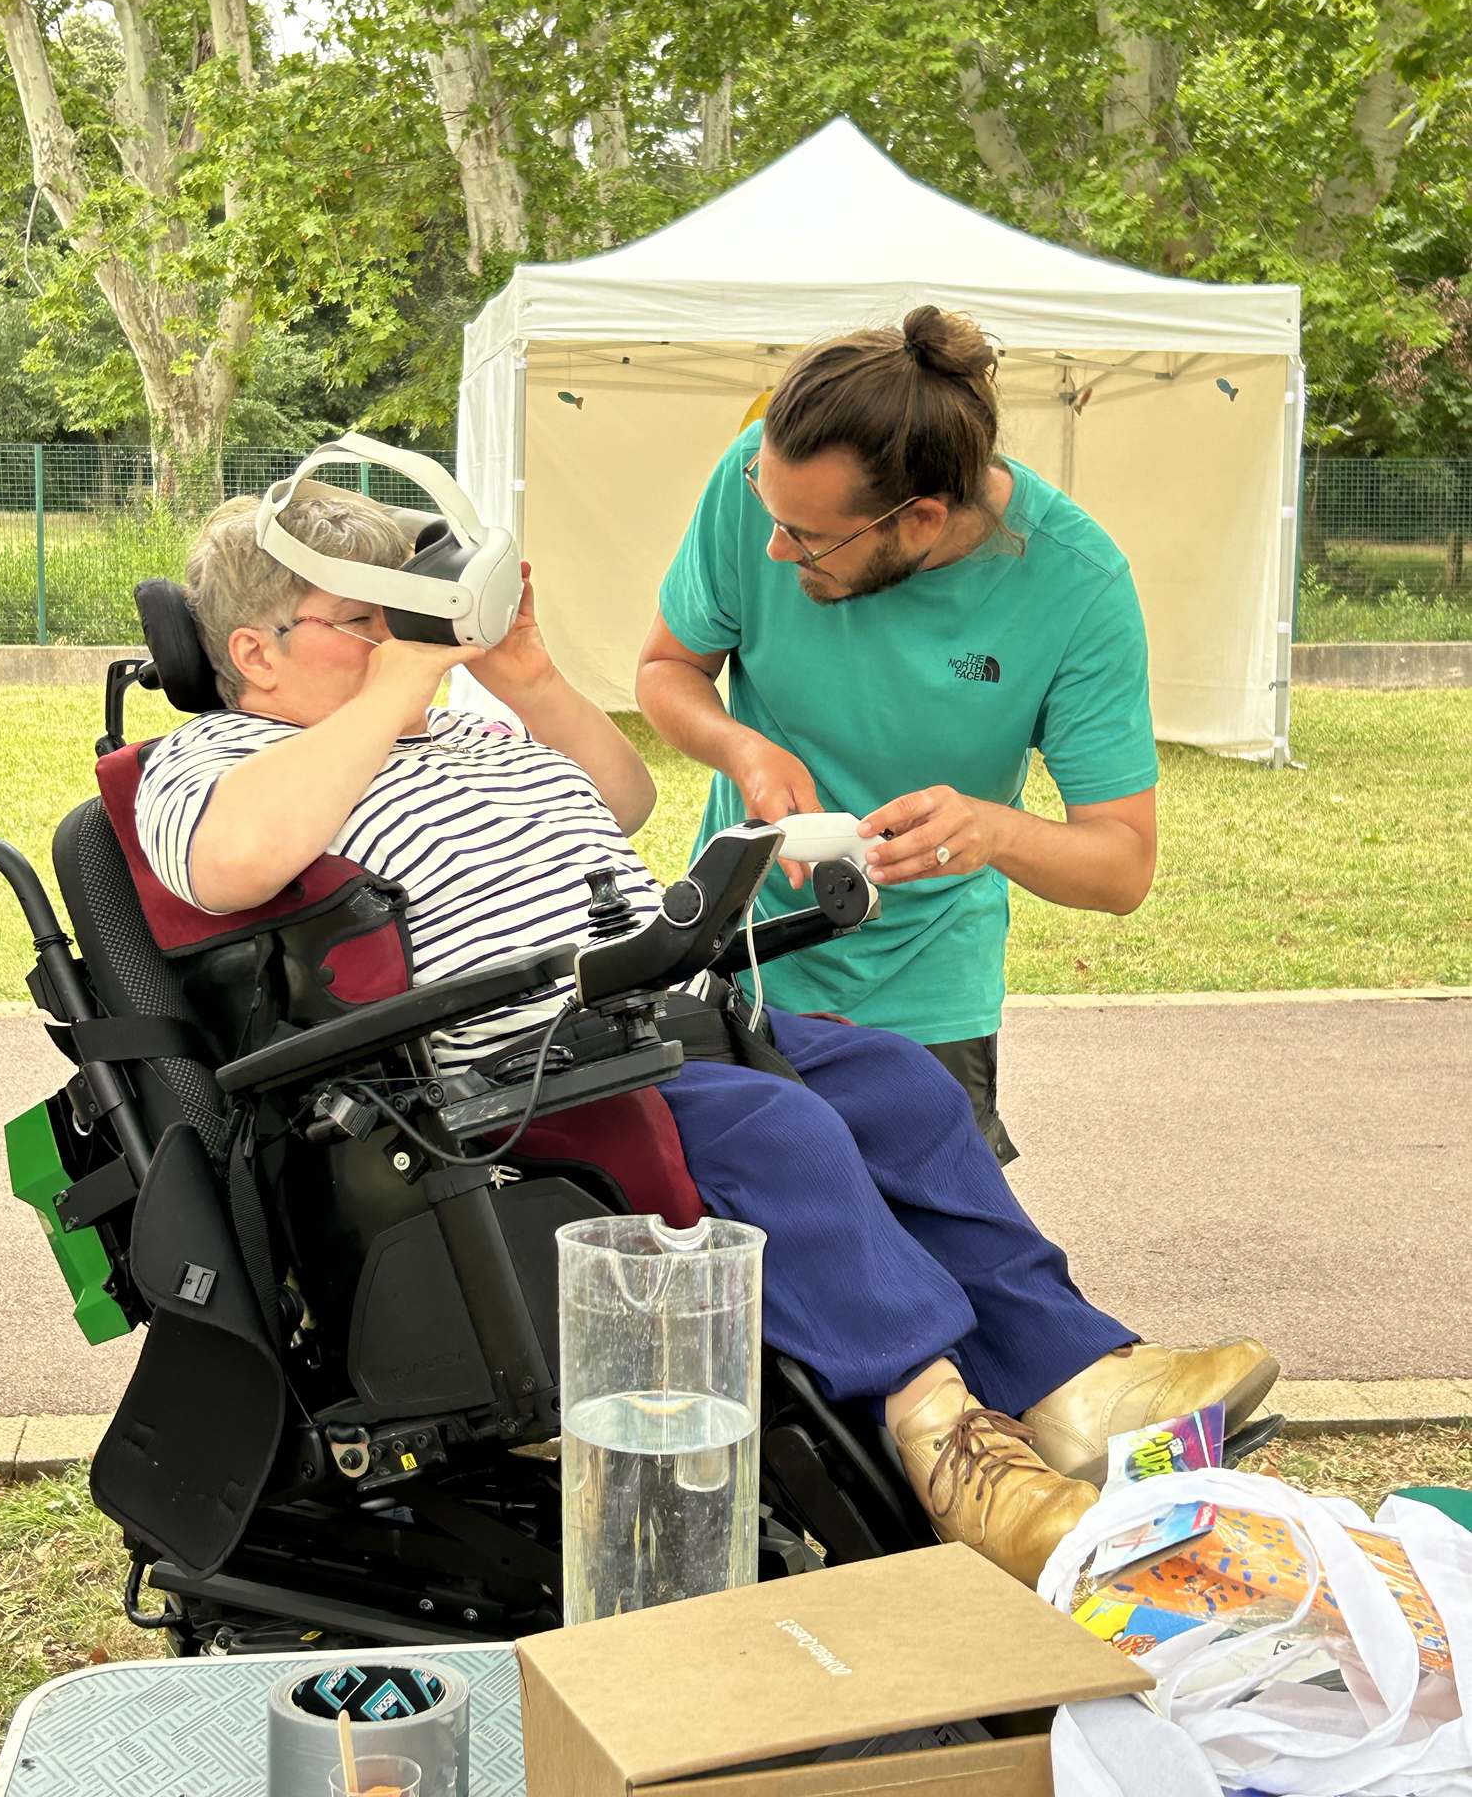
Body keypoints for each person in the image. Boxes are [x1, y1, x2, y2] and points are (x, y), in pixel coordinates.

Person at [133, 487, 1278, 1589]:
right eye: (364, 620)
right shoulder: (214, 762)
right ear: (258, 653)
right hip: (514, 1079)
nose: (400, 641)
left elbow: (621, 795)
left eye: (408, 614)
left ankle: (1073, 1379)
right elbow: (233, 862)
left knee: (903, 1086)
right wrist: (399, 682)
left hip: (669, 1013)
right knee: (779, 1134)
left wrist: (524, 676)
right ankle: (947, 1445)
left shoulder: (461, 733)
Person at [637, 307, 1160, 1164]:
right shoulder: (763, 479)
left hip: (929, 1000)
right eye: (769, 510)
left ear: (919, 521)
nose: (773, 550)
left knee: (929, 1244)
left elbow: (1123, 865)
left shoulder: (1080, 587)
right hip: (743, 963)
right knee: (741, 1238)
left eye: (807, 538)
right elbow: (666, 668)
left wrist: (991, 830)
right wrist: (745, 750)